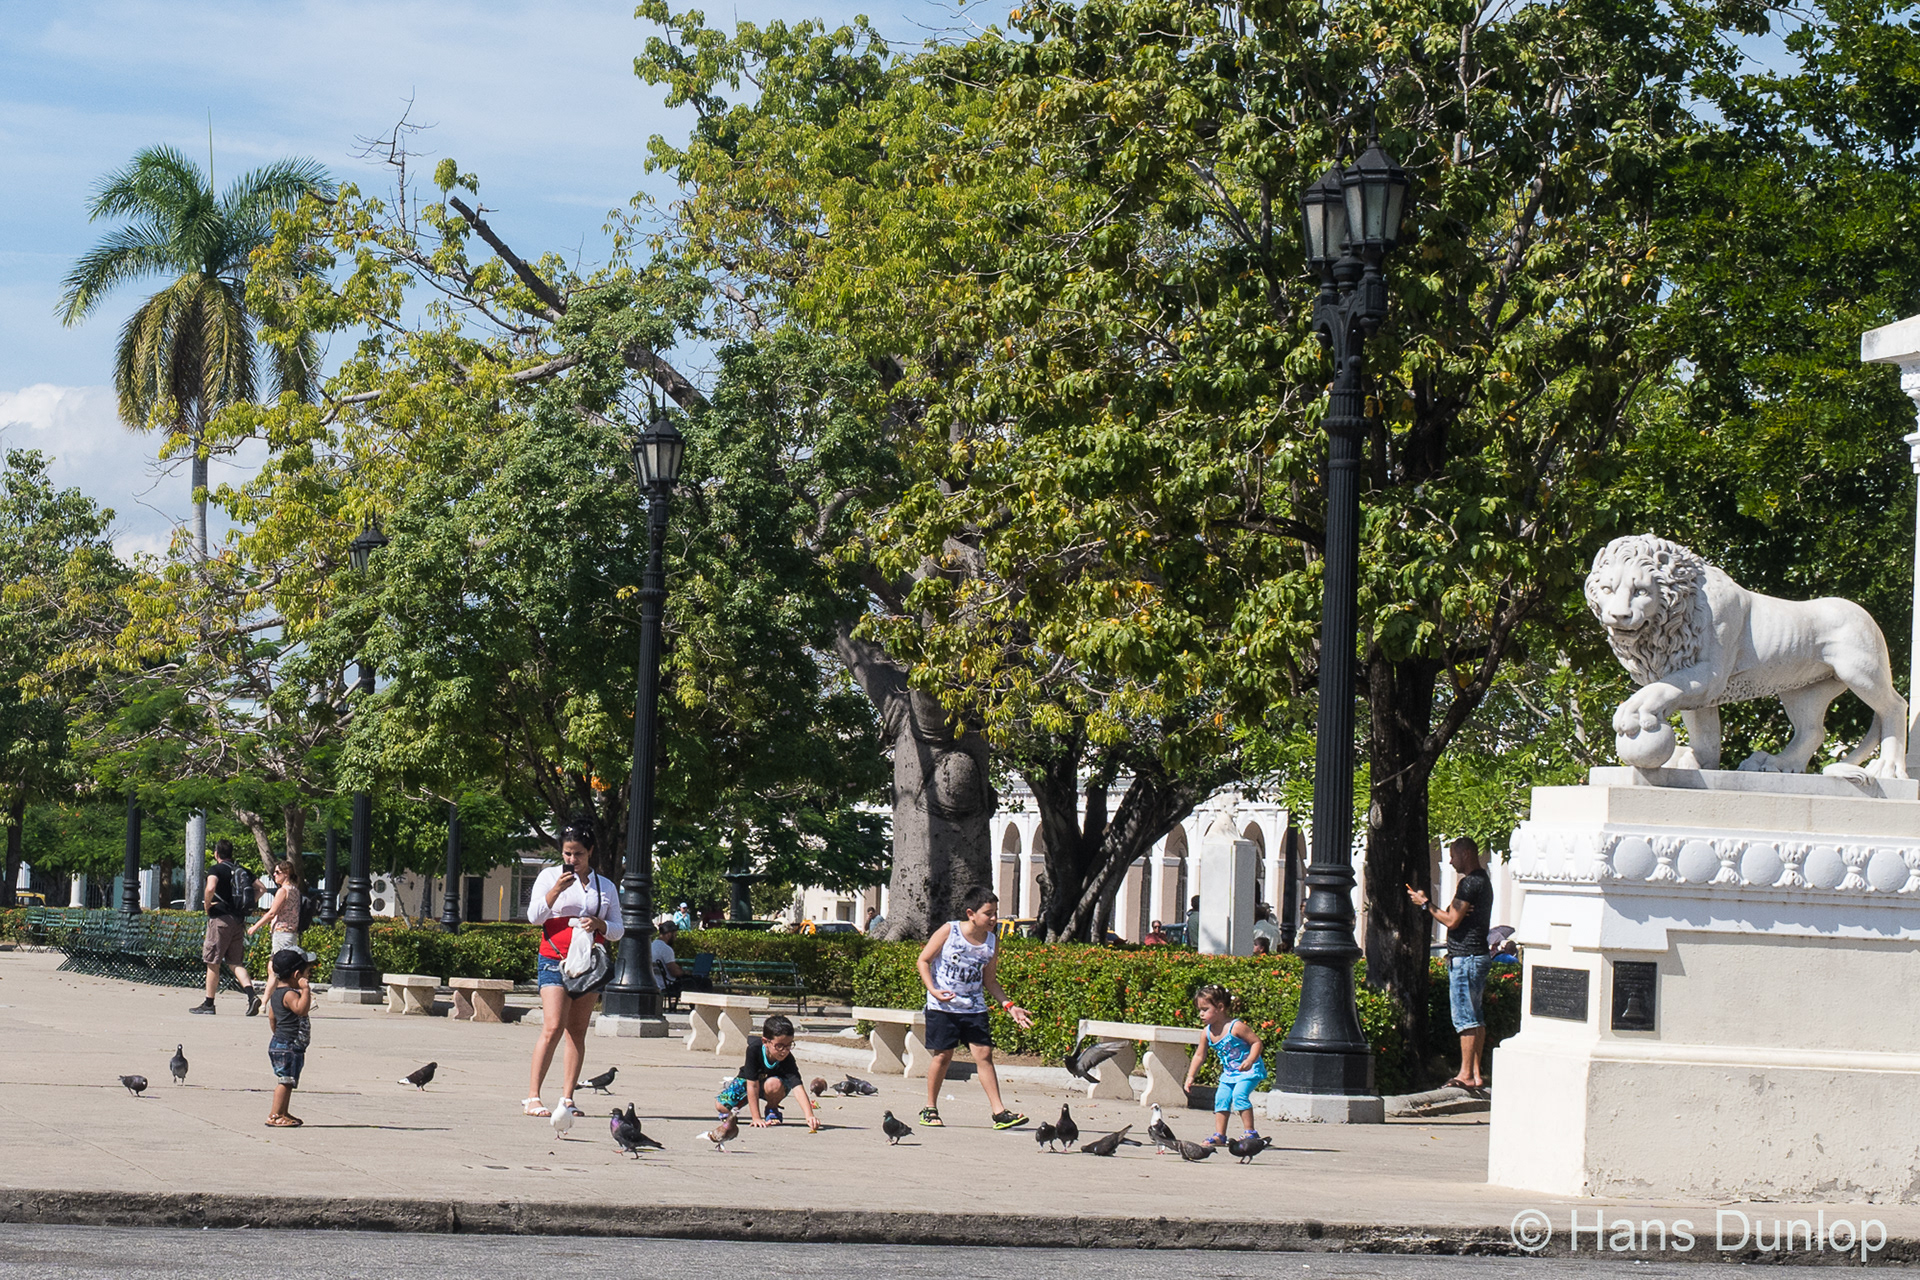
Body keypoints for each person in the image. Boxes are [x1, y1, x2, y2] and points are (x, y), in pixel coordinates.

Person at [524, 821, 624, 1118]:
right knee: (553, 1025)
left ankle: (567, 1097)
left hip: (587, 964)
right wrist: (556, 890)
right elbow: (534, 916)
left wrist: (600, 924)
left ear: (590, 852)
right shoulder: (548, 877)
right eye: (567, 853)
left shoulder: (604, 886)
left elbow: (618, 929)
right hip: (554, 957)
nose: (572, 859)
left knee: (577, 1030)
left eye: (578, 854)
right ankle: (532, 1096)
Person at [916, 886, 1033, 1130]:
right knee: (943, 1055)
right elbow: (923, 960)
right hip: (943, 1006)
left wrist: (1009, 1005)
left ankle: (999, 1112)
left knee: (984, 1056)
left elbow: (989, 980)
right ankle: (930, 1108)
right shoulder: (950, 930)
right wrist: (933, 990)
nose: (993, 919)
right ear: (971, 913)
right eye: (988, 913)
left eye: (995, 913)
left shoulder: (991, 940)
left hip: (974, 1007)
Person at [1408, 836, 1494, 1092]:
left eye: (1454, 856)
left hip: (1465, 958)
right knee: (1476, 1016)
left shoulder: (1469, 884)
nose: (1451, 861)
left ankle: (1466, 1074)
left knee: (1465, 1017)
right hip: (1477, 955)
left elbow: (1451, 920)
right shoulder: (1483, 882)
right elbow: (1453, 912)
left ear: (1466, 854)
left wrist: (1425, 905)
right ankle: (1476, 1073)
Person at [1180, 983, 1265, 1147]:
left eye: (1205, 1009)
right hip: (1229, 1074)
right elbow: (1199, 1055)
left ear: (1219, 1007)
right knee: (1221, 1099)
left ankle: (1250, 1132)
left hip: (1248, 1071)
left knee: (1239, 1096)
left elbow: (1256, 1043)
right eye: (1199, 1010)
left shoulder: (1236, 1027)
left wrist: (1250, 1060)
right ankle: (1220, 1135)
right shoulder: (1207, 1032)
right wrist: (1190, 1076)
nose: (1201, 1014)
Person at [191, 839, 264, 1016]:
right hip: (238, 920)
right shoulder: (242, 870)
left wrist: (207, 905)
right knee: (235, 962)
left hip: (220, 920)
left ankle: (209, 1003)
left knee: (212, 962)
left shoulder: (216, 869)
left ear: (216, 854)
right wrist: (244, 904)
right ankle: (251, 995)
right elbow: (261, 889)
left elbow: (210, 887)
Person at [715, 1014, 821, 1131]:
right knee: (720, 1106)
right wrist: (756, 1118)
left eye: (789, 1045)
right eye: (779, 1046)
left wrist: (809, 1115)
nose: (784, 1051)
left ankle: (772, 1108)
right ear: (765, 1042)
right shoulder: (754, 1050)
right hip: (749, 1082)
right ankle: (738, 1104)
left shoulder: (787, 1058)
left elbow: (797, 1087)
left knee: (773, 1083)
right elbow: (752, 1085)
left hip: (771, 1086)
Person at [264, 948, 313, 1127]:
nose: (308, 978)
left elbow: (272, 1017)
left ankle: (283, 1112)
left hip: (282, 1042)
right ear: (296, 974)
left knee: (289, 1080)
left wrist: (277, 1035)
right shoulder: (290, 994)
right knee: (285, 1082)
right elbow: (301, 1009)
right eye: (307, 974)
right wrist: (305, 990)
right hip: (289, 1045)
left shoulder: (276, 994)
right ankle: (275, 1115)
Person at [249, 860, 303, 1008]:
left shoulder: (283, 891)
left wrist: (255, 927)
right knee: (272, 968)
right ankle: (263, 1003)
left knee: (281, 969)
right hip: (290, 933)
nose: (274, 875)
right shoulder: (295, 890)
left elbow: (272, 912)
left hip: (282, 933)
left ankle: (305, 994)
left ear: (286, 874)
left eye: (278, 872)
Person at [652, 919, 685, 1002]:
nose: (675, 938)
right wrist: (683, 972)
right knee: (700, 982)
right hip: (667, 984)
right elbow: (674, 972)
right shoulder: (666, 949)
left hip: (655, 982)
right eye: (675, 935)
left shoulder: (652, 945)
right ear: (668, 935)